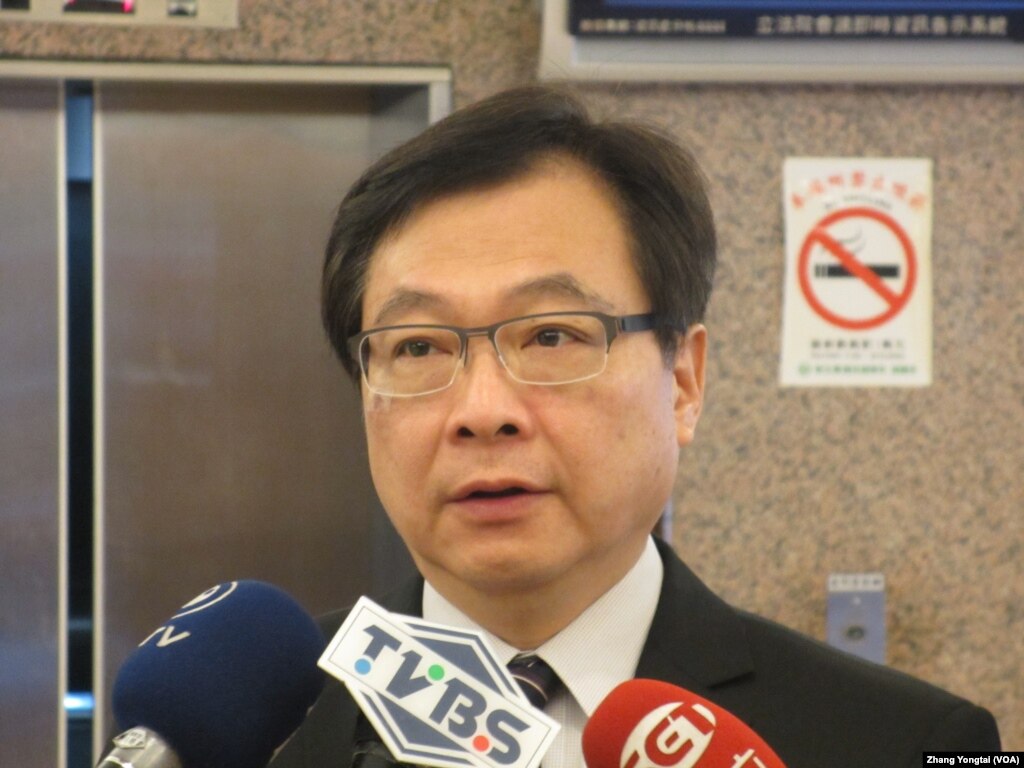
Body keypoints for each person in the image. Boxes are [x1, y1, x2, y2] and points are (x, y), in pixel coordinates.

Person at [271, 86, 1000, 768]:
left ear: (683, 382)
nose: (482, 412)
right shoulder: (263, 721)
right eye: (417, 347)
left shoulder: (915, 740)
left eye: (551, 336)